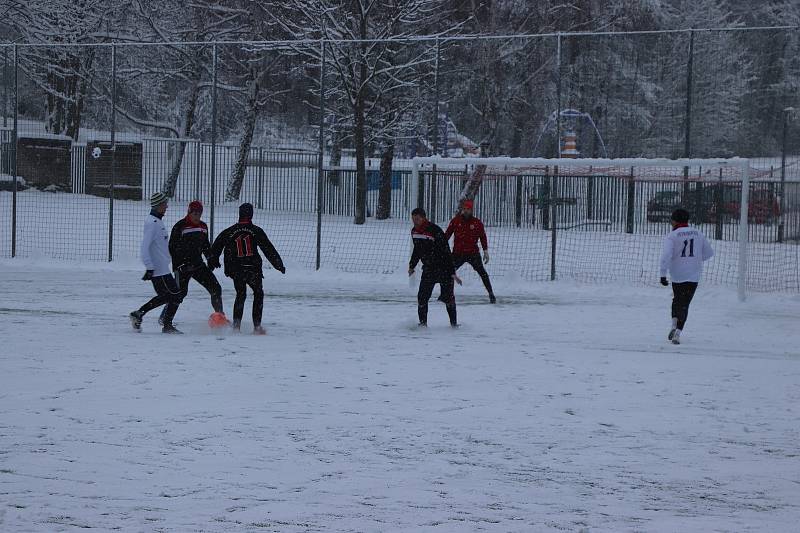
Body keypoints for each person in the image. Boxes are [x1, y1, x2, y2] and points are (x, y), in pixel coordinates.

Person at [208, 203, 285, 335]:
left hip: (236, 269)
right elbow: (268, 249)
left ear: (239, 214)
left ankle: (236, 327)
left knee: (241, 294)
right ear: (251, 215)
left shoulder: (229, 231)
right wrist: (278, 265)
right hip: (252, 268)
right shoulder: (256, 231)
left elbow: (216, 247)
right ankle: (257, 327)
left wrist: (213, 262)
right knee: (258, 294)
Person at [158, 200, 226, 325]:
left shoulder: (203, 227)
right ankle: (165, 319)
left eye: (199, 213)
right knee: (179, 294)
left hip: (198, 265)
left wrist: (211, 258)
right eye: (194, 213)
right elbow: (172, 248)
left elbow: (205, 245)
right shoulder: (180, 226)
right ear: (189, 212)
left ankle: (220, 317)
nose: (197, 216)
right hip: (183, 267)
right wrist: (179, 265)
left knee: (215, 288)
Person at [129, 192, 184, 334]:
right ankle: (166, 325)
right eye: (165, 204)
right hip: (159, 270)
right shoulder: (152, 223)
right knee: (175, 295)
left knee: (167, 296)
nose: (167, 206)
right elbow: (144, 248)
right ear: (158, 206)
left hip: (162, 268)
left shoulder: (157, 221)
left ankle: (140, 314)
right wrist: (149, 267)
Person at [659, 208, 714, 345]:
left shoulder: (672, 236)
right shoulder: (698, 234)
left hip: (678, 274)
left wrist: (662, 274)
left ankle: (673, 324)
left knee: (677, 300)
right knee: (685, 304)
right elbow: (708, 253)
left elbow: (666, 256)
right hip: (693, 275)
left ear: (675, 221)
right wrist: (695, 259)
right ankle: (678, 332)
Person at [408, 207, 462, 328]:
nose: (415, 222)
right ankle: (423, 324)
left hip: (443, 268)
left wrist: (452, 271)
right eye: (413, 219)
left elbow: (446, 251)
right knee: (422, 297)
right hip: (429, 269)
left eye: (417, 219)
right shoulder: (414, 232)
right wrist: (412, 265)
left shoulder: (435, 230)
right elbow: (417, 250)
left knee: (448, 298)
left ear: (424, 218)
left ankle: (454, 325)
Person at [444, 199, 496, 303]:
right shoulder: (455, 221)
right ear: (462, 210)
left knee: (483, 273)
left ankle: (491, 294)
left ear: (471, 210)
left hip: (473, 253)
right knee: (448, 273)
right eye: (464, 209)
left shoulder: (477, 223)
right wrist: (441, 247)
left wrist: (485, 251)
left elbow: (483, 237)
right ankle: (446, 295)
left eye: (468, 209)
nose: (466, 211)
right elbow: (447, 235)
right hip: (458, 253)